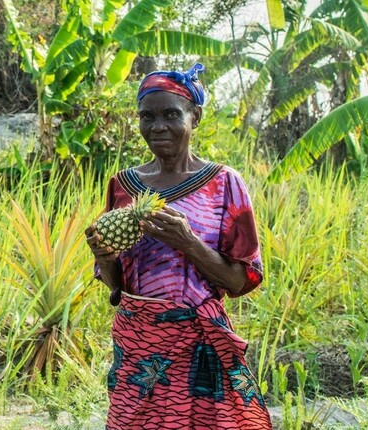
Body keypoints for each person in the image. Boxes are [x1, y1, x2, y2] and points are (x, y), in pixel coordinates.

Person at [86, 63, 272, 429]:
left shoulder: (224, 184)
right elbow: (116, 288)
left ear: (195, 117)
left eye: (172, 114)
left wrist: (187, 243)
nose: (158, 127)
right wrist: (103, 257)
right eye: (147, 117)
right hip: (140, 344)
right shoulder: (123, 185)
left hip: (199, 342)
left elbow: (239, 281)